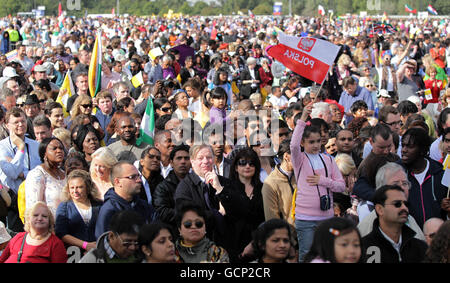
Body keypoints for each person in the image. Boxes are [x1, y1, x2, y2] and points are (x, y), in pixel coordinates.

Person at [290, 104, 346, 261]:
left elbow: (341, 186)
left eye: (318, 141)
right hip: (305, 218)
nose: (315, 145)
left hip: (326, 216)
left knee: (327, 255)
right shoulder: (299, 160)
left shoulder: (328, 159)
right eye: (311, 142)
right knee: (307, 255)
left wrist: (323, 181)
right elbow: (293, 145)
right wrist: (302, 118)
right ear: (303, 143)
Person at [174, 144, 247, 258]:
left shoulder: (225, 182)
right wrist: (218, 214)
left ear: (213, 159)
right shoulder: (184, 187)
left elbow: (241, 209)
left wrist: (220, 189)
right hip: (199, 249)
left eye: (209, 157)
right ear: (192, 162)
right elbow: (188, 217)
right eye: (200, 158)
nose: (205, 161)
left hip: (228, 246)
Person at [357, 162, 425, 241]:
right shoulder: (369, 226)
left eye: (405, 183)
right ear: (381, 189)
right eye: (395, 184)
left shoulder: (410, 219)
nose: (402, 188)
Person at [362, 185, 428, 263]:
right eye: (397, 204)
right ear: (380, 209)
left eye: (406, 204)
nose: (404, 208)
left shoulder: (419, 248)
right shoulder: (363, 248)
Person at [400, 127, 448, 229]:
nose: (404, 150)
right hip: (411, 239)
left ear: (422, 150)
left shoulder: (440, 174)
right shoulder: (398, 174)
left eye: (410, 146)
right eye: (403, 145)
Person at [95, 161, 156, 239]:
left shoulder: (145, 206)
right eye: (133, 177)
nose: (139, 180)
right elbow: (104, 244)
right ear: (117, 182)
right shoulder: (108, 210)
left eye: (139, 176)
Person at [55, 169, 103, 262]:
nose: (75, 191)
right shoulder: (64, 206)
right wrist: (85, 245)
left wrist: (95, 247)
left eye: (79, 187)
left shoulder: (99, 205)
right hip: (73, 254)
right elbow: (61, 233)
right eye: (72, 188)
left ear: (88, 188)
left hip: (97, 253)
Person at [0, 201, 67, 263]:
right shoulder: (18, 238)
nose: (40, 218)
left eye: (44, 216)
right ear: (28, 219)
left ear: (50, 221)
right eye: (35, 215)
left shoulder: (55, 244)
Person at [228, 147, 265, 259]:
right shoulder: (227, 188)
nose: (247, 166)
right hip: (233, 244)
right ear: (235, 167)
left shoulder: (264, 188)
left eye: (252, 163)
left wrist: (255, 242)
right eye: (243, 163)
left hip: (259, 243)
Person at [79, 210, 144, 263]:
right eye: (127, 243)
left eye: (136, 242)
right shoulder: (91, 260)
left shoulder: (145, 255)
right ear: (112, 236)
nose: (132, 247)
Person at [24, 137, 66, 217]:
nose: (59, 151)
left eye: (61, 148)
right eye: (54, 148)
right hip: (47, 226)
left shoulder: (64, 174)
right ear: (44, 153)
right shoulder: (37, 174)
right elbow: (33, 207)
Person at [153, 144, 191, 228]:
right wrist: (189, 216)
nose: (183, 162)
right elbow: (162, 212)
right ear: (171, 163)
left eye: (186, 158)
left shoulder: (198, 183)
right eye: (179, 158)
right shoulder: (162, 187)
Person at [262, 139, 297, 224]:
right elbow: (272, 220)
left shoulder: (302, 175)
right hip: (287, 235)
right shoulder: (270, 183)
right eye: (298, 154)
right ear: (286, 157)